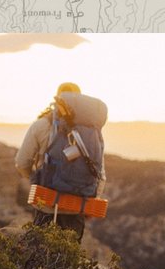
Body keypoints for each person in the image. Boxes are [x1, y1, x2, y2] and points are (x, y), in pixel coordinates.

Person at [14, 82, 107, 241]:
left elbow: (22, 162)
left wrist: (35, 180)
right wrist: (88, 201)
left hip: (47, 204)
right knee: (68, 258)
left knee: (42, 258)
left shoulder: (42, 125)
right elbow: (100, 175)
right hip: (77, 208)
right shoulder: (91, 131)